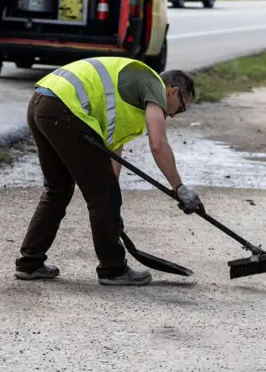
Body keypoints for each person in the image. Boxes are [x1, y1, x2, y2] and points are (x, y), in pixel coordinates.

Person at [14, 57, 201, 286]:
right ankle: (113, 269)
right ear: (172, 92)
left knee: (59, 188)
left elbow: (112, 150)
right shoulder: (154, 85)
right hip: (64, 108)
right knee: (101, 195)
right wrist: (179, 187)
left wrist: (110, 211)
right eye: (181, 108)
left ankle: (29, 263)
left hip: (42, 102)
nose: (173, 115)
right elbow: (158, 143)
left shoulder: (131, 94)